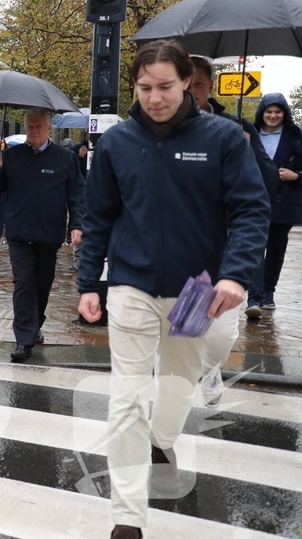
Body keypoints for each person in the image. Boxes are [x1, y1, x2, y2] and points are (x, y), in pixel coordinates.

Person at [76, 40, 268, 539]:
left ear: (187, 82)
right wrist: (88, 283)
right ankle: (127, 519)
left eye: (165, 86)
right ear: (134, 87)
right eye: (144, 88)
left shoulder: (224, 139)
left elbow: (251, 210)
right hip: (131, 286)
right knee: (126, 399)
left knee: (180, 385)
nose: (155, 97)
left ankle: (163, 439)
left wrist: (235, 273)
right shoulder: (116, 144)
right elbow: (97, 217)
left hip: (196, 291)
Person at [187, 56, 277, 405]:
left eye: (197, 84)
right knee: (190, 322)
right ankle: (182, 384)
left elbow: (267, 180)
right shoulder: (168, 129)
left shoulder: (236, 126)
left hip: (227, 240)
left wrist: (246, 147)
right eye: (186, 84)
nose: (191, 92)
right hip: (188, 240)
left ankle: (208, 369)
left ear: (210, 86)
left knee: (223, 331)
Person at [0, 108, 84, 363]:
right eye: (30, 127)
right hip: (19, 233)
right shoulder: (11, 156)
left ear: (50, 128)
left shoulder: (65, 158)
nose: (34, 131)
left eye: (39, 126)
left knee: (42, 285)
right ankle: (23, 339)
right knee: (23, 283)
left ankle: (35, 324)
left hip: (49, 234)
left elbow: (76, 195)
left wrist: (77, 225)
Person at [250, 92, 302, 316]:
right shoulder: (248, 134)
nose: (272, 116)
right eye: (268, 111)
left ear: (284, 113)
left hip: (284, 202)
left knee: (276, 250)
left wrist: (296, 175)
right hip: (253, 200)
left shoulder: (296, 137)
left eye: (277, 111)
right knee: (253, 247)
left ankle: (268, 292)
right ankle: (253, 296)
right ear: (262, 112)